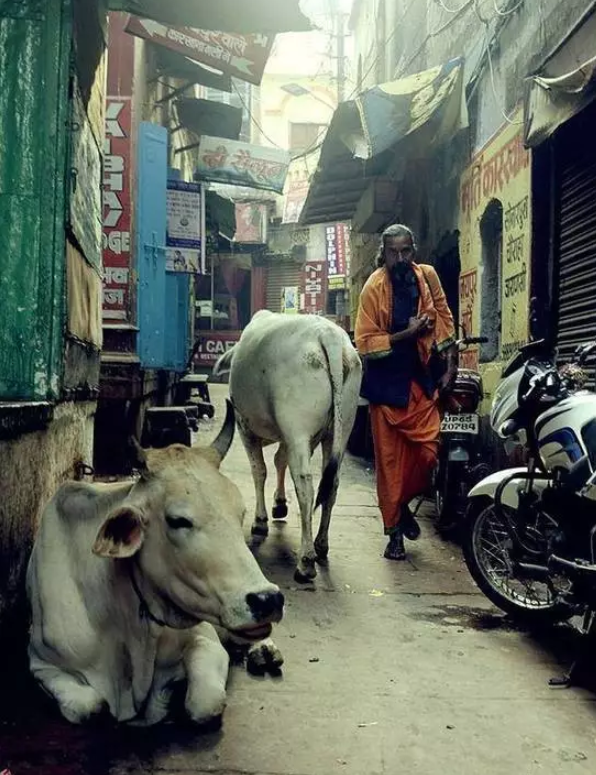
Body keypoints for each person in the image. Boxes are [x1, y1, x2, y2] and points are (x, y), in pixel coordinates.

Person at [355, 224, 457, 560]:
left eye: (406, 251)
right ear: (383, 253)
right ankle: (394, 535)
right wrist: (407, 333)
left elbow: (443, 316)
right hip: (386, 388)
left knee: (429, 454)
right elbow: (365, 343)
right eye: (393, 252)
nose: (400, 258)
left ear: (414, 250)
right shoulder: (373, 287)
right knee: (389, 467)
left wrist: (451, 365)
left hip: (420, 381)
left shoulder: (427, 276)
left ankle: (402, 505)